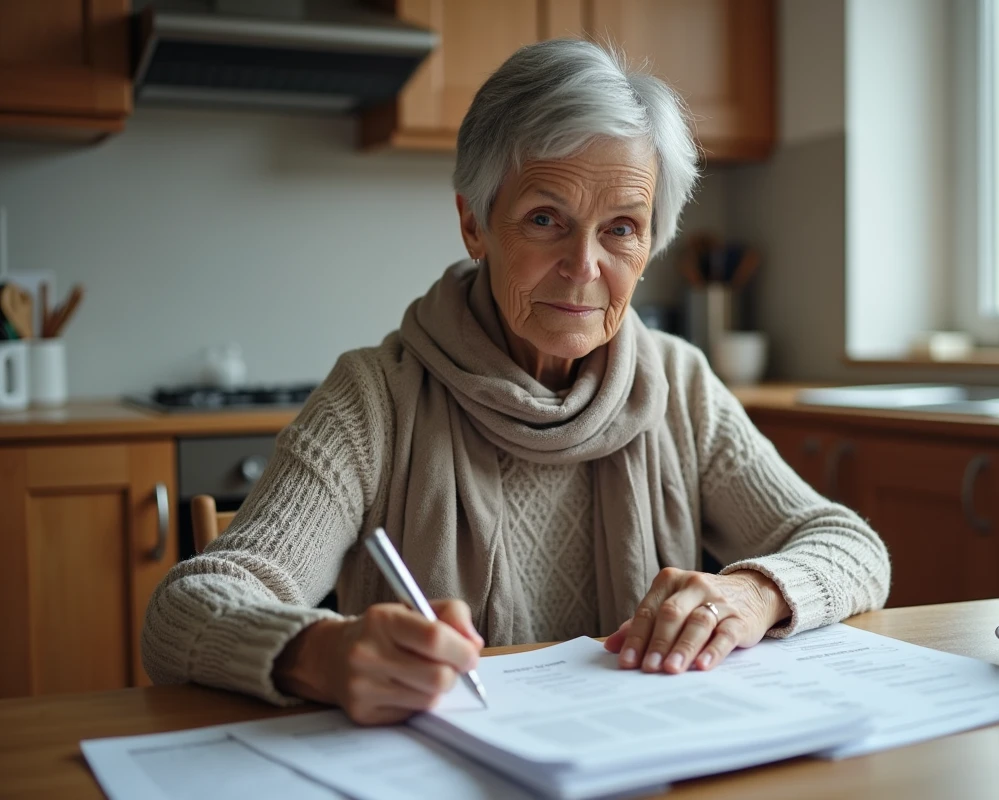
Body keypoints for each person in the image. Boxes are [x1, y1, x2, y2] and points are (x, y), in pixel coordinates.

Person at [142, 39, 890, 724]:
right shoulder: (375, 398)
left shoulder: (680, 385)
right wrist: (320, 655)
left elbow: (851, 545)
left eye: (621, 228)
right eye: (544, 219)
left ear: (652, 241)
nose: (584, 267)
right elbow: (184, 610)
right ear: (474, 224)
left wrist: (753, 592)